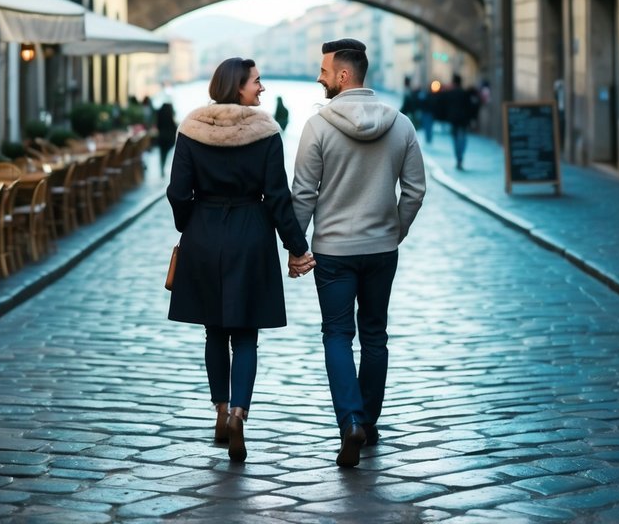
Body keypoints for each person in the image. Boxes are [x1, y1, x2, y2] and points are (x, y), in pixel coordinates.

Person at [167, 57, 314, 463]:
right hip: (251, 233)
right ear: (238, 87)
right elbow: (278, 196)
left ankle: (218, 411)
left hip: (204, 233)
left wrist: (191, 224)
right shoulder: (266, 132)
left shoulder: (191, 129)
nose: (262, 88)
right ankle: (238, 415)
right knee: (246, 333)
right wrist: (297, 246)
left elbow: (178, 192)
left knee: (214, 330)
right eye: (256, 81)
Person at [290, 38, 426, 468]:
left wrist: (296, 246)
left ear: (343, 75)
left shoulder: (318, 126)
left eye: (324, 71)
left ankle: (349, 420)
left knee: (336, 335)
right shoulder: (400, 123)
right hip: (381, 248)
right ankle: (367, 421)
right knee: (375, 336)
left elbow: (303, 196)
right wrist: (395, 230)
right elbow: (416, 190)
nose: (319, 77)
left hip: (333, 251)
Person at [440, 72, 472, 170]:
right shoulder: (464, 93)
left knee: (455, 140)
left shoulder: (450, 93)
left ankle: (458, 158)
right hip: (463, 120)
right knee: (462, 139)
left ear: (454, 82)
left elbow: (444, 106)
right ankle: (460, 158)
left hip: (454, 120)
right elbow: (469, 107)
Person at [155, 99, 177, 176]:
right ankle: (163, 168)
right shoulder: (171, 115)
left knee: (162, 154)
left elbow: (158, 126)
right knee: (166, 154)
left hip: (162, 137)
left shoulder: (160, 114)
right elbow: (174, 128)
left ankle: (162, 168)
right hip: (170, 138)